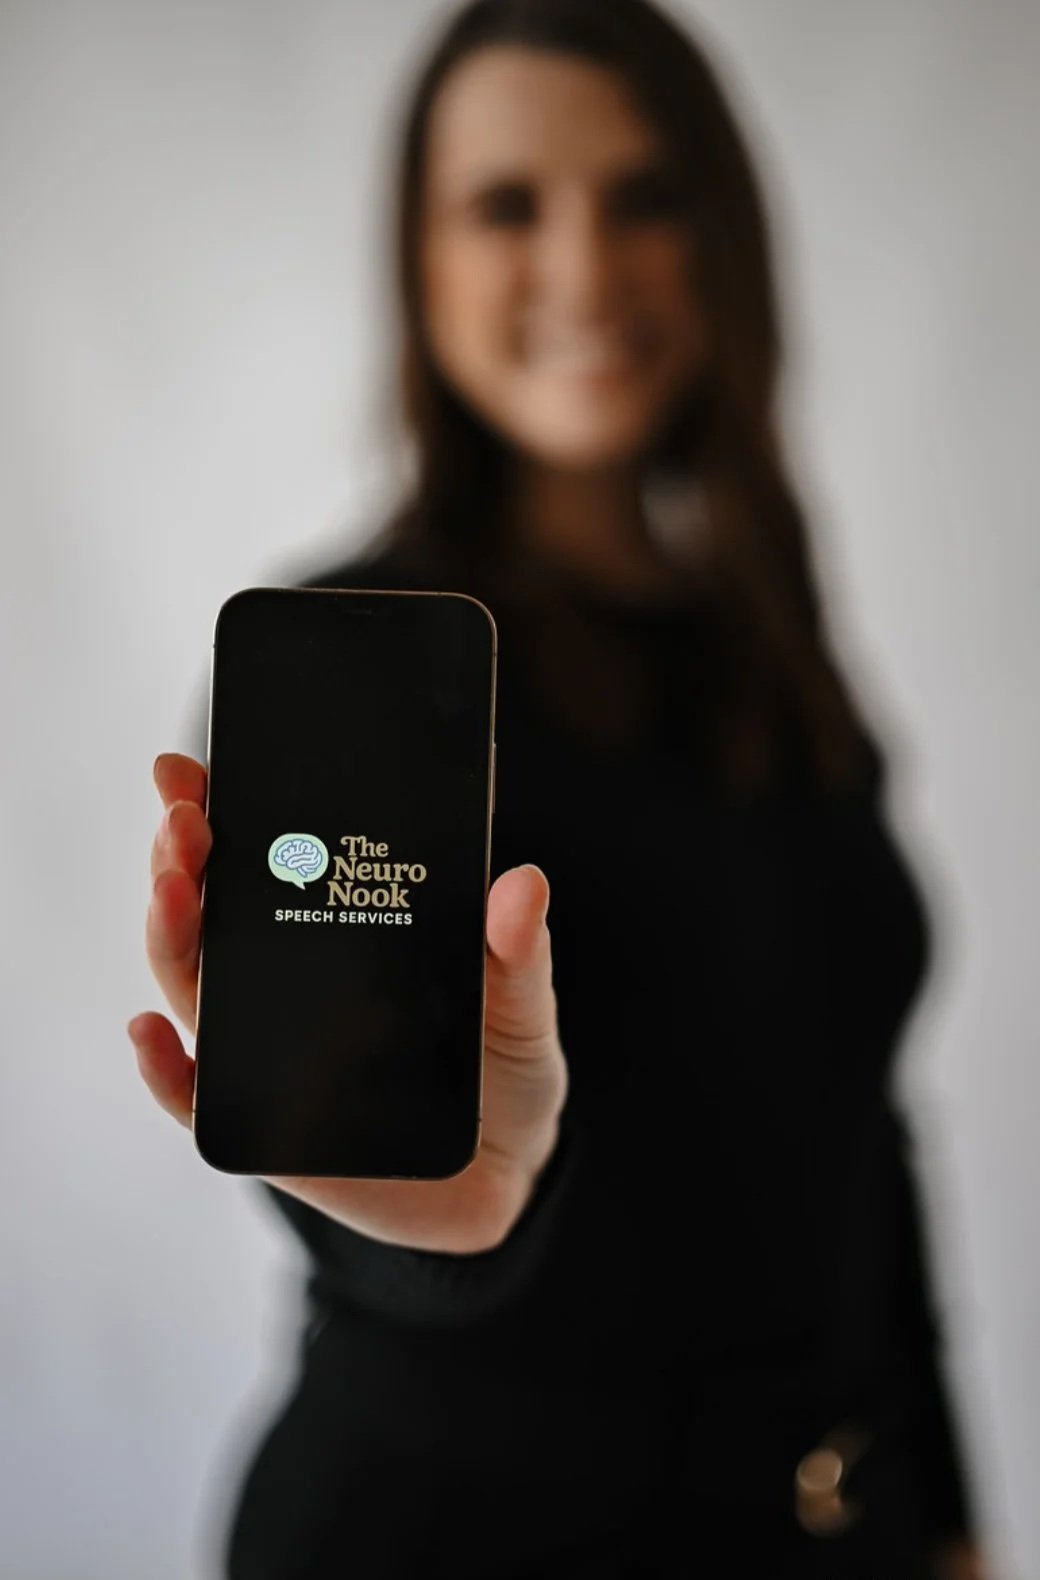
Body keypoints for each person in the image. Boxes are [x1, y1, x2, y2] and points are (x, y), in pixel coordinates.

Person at [127, 2, 991, 1575]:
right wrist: (459, 1213)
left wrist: (945, 1508)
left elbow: (859, 1125)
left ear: (722, 238)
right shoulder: (361, 672)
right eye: (507, 204)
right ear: (423, 260)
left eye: (647, 197)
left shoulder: (765, 635)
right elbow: (358, 1144)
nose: (587, 269)